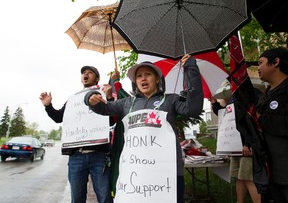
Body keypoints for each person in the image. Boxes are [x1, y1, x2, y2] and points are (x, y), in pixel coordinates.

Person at [84, 55, 203, 203]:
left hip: (168, 173)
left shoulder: (171, 100)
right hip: (137, 172)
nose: (143, 79)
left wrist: (191, 68)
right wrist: (90, 97)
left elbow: (194, 108)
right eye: (139, 76)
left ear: (157, 79)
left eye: (148, 74)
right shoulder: (126, 103)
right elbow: (102, 108)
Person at [39, 66, 113, 203]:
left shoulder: (103, 93)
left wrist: (109, 97)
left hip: (99, 156)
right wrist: (48, 106)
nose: (85, 74)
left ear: (97, 78)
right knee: (77, 198)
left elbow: (112, 117)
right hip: (76, 157)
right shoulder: (73, 100)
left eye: (89, 72)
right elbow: (58, 117)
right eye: (83, 73)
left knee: (105, 197)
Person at [208, 95, 261, 203]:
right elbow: (224, 115)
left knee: (248, 177)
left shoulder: (250, 94)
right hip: (235, 146)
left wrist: (248, 143)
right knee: (239, 177)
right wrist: (214, 103)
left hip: (246, 146)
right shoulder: (233, 98)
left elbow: (251, 121)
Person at [256, 48, 288, 203]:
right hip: (268, 171)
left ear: (276, 62)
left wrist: (261, 119)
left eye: (261, 63)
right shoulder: (265, 95)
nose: (258, 68)